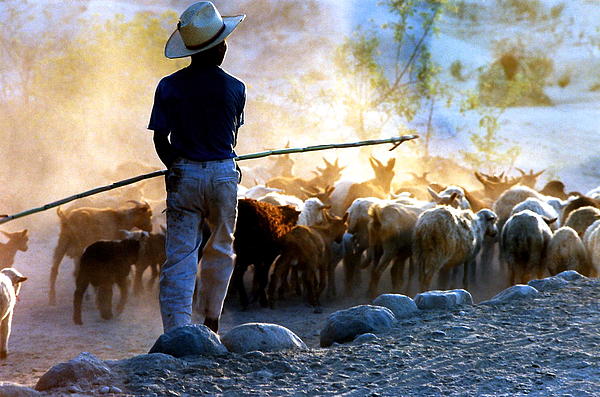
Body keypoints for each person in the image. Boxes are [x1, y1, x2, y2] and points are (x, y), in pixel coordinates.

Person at [148, 1, 246, 334]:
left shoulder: (169, 86)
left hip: (184, 174)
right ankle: (212, 323)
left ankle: (176, 330)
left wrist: (176, 167)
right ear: (219, 48)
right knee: (220, 247)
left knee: (180, 256)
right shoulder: (236, 88)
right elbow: (231, 138)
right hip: (223, 174)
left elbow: (161, 140)